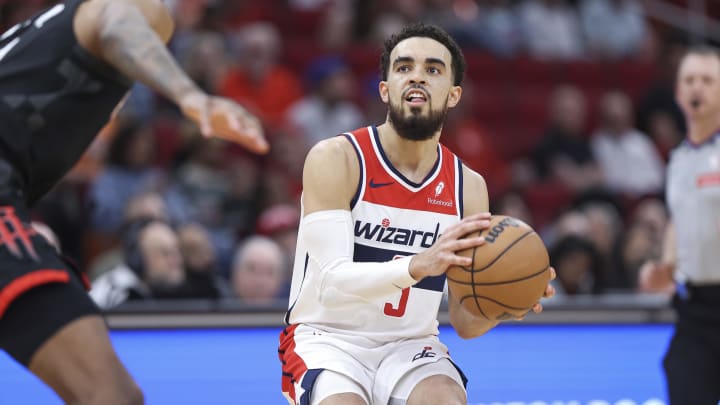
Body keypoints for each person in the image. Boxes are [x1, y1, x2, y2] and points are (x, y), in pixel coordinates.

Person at [0, 1, 267, 404]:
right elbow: (117, 20)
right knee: (111, 394)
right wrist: (192, 97)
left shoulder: (37, 35)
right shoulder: (133, 8)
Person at [278, 23, 555, 405]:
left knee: (444, 397)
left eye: (433, 69)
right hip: (328, 339)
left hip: (411, 346)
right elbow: (331, 284)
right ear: (385, 87)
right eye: (404, 67)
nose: (417, 77)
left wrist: (507, 300)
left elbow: (464, 321)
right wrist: (419, 264)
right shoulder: (337, 158)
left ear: (454, 94)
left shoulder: (468, 187)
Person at [638, 46, 720, 405]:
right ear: (678, 93)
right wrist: (666, 265)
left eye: (707, 80)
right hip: (694, 311)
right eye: (689, 80)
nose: (697, 88)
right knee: (680, 372)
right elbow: (680, 219)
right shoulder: (680, 158)